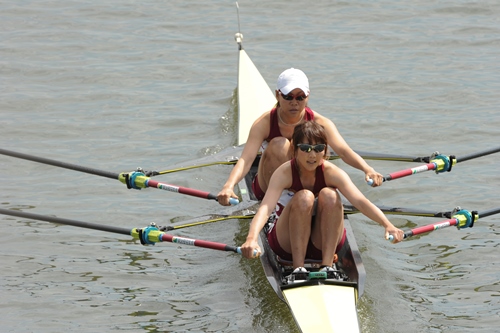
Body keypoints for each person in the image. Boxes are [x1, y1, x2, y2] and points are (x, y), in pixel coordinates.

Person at [239, 121, 404, 275]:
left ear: (325, 151)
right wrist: (251, 238)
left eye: (318, 148)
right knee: (304, 197)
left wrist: (387, 225)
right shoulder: (284, 173)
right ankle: (298, 269)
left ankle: (327, 266)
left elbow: (361, 202)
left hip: (320, 243)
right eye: (305, 148)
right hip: (286, 244)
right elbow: (265, 208)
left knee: (330, 195)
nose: (312, 155)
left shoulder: (332, 173)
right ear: (294, 150)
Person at [217, 67, 383, 206]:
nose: (294, 102)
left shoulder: (321, 122)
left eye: (300, 97)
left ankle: (306, 202)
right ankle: (275, 208)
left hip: (303, 185)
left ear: (308, 96)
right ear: (277, 95)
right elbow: (246, 160)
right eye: (288, 97)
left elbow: (344, 152)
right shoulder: (264, 123)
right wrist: (229, 185)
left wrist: (368, 169)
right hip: (269, 185)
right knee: (280, 144)